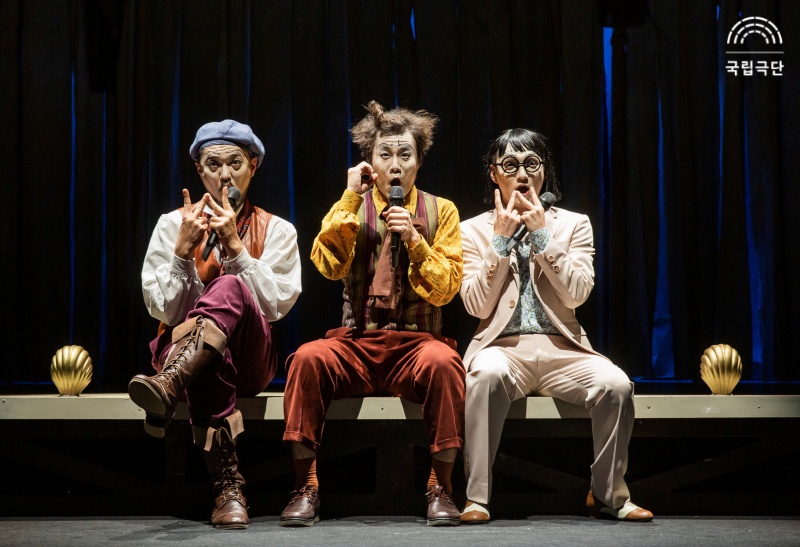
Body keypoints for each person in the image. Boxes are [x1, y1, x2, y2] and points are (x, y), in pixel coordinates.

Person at [280, 101, 465, 527]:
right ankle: (306, 486)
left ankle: (440, 487)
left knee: (446, 364)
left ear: (419, 161)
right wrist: (350, 197)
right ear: (370, 162)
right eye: (385, 154)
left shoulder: (442, 211)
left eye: (405, 154)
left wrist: (415, 240)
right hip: (358, 342)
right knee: (307, 358)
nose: (395, 165)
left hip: (416, 345)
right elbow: (327, 266)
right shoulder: (350, 205)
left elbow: (446, 290)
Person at [458, 128, 653, 523]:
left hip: (563, 348)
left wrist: (542, 236)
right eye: (510, 165)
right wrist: (500, 241)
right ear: (493, 174)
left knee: (616, 385)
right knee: (484, 376)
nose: (522, 174)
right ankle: (476, 498)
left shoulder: (574, 224)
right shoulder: (471, 230)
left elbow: (577, 295)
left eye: (531, 163)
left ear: (544, 171)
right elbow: (477, 304)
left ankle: (608, 494)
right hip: (501, 348)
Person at [128, 120, 302, 529]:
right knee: (208, 360)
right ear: (198, 170)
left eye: (235, 163)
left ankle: (171, 383)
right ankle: (228, 489)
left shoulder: (278, 230)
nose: (225, 175)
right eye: (213, 164)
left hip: (250, 360)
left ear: (253, 166)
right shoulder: (171, 225)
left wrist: (237, 251)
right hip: (185, 352)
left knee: (229, 285)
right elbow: (164, 312)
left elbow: (275, 307)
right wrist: (182, 255)